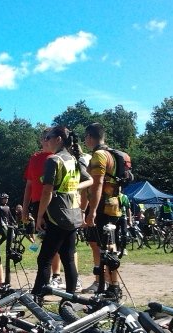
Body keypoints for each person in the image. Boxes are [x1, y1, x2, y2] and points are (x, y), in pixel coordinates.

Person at [32, 126, 91, 300]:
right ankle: (70, 299)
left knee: (44, 259)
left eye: (48, 137)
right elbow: (89, 181)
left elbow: (47, 192)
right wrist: (72, 190)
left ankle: (37, 297)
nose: (46, 140)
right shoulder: (73, 159)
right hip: (73, 215)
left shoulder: (53, 160)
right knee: (69, 259)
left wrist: (40, 215)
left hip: (56, 216)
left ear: (58, 139)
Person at [82, 122, 123, 299]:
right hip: (113, 204)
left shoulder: (99, 155)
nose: (85, 141)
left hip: (102, 206)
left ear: (90, 137)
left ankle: (111, 285)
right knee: (102, 243)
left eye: (86, 137)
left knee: (105, 245)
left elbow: (97, 184)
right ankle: (104, 281)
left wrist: (91, 211)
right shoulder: (111, 154)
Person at [21, 128, 63, 284]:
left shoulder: (58, 158)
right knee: (44, 241)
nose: (46, 141)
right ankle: (49, 277)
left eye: (49, 138)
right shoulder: (35, 158)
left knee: (57, 242)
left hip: (55, 203)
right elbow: (29, 185)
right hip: (37, 203)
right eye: (44, 138)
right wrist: (25, 209)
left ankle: (57, 275)